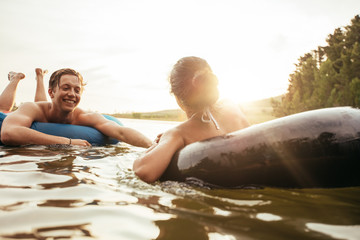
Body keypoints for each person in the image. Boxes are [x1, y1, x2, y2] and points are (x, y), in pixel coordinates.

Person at [133, 56, 250, 183]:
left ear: (178, 98)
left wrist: (160, 144)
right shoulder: (231, 105)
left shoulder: (178, 133)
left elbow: (144, 172)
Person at [1, 68, 152, 148]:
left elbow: (121, 132)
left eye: (77, 90)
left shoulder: (85, 117)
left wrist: (153, 146)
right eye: (66, 88)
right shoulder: (32, 108)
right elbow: (8, 133)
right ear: (51, 92)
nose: (72, 94)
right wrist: (68, 142)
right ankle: (16, 78)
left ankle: (39, 76)